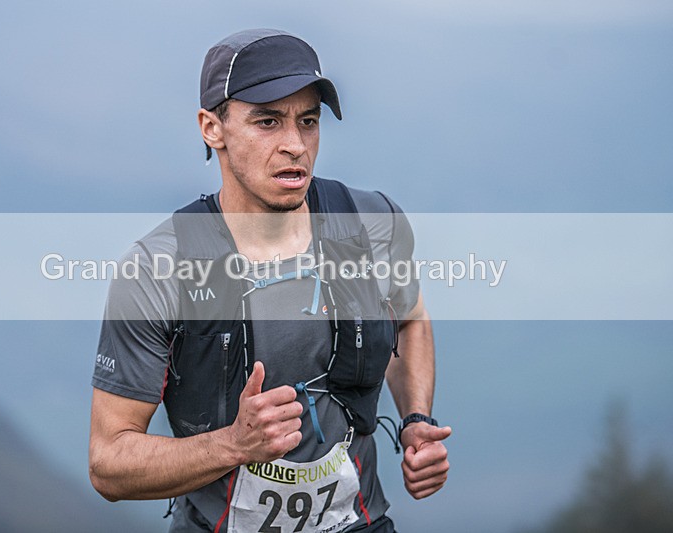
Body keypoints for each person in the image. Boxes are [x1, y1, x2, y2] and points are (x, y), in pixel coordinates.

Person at [89, 29, 451, 532]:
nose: (294, 145)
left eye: (308, 121)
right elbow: (108, 464)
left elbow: (410, 319)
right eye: (267, 121)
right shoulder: (156, 270)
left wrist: (416, 421)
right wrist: (233, 444)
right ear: (211, 128)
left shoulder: (372, 223)